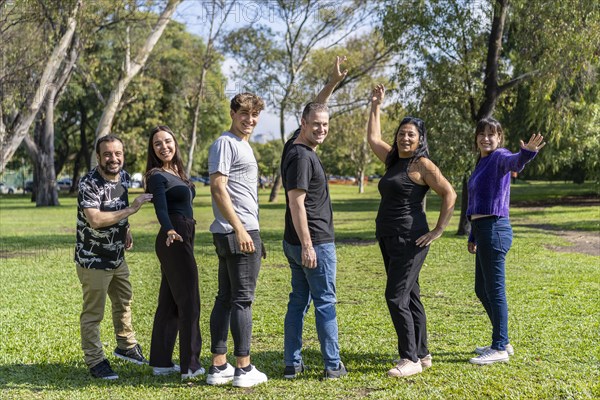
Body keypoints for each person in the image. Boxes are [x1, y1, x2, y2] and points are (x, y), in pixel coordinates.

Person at [367, 85, 456, 377]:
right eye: (402, 133)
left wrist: (439, 229)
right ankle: (423, 352)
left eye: (411, 134)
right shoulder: (393, 159)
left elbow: (449, 194)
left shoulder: (422, 164)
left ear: (419, 140)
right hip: (388, 236)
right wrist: (376, 105)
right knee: (410, 295)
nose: (405, 137)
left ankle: (410, 359)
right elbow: (372, 138)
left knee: (395, 296)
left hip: (410, 238)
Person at [281, 56, 348, 380]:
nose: (321, 129)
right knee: (325, 303)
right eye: (316, 125)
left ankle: (292, 362)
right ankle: (333, 365)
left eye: (325, 125)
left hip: (295, 243)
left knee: (298, 302)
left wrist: (332, 83)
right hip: (313, 244)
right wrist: (308, 246)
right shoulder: (303, 157)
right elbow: (296, 202)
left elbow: (316, 107)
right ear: (303, 123)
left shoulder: (292, 146)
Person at [467, 118, 545, 365]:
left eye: (492, 134)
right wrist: (472, 234)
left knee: (495, 291)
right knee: (482, 289)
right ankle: (503, 339)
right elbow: (475, 202)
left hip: (495, 228)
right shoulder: (482, 162)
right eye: (482, 134)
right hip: (483, 229)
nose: (486, 138)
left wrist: (527, 153)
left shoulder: (499, 156)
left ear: (499, 138)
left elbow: (515, 162)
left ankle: (499, 347)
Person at [75, 135, 153, 380]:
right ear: (98, 157)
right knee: (93, 313)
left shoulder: (124, 176)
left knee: (124, 301)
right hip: (93, 259)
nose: (113, 158)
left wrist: (126, 227)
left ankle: (126, 346)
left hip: (117, 256)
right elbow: (96, 220)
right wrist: (132, 210)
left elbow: (118, 202)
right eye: (107, 154)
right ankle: (95, 361)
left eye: (118, 153)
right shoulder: (89, 183)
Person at [206, 93, 268, 388]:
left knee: (227, 298)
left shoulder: (243, 144)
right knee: (242, 300)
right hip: (237, 231)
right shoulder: (225, 143)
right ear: (232, 112)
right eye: (244, 113)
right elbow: (218, 188)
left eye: (254, 115)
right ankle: (243, 368)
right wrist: (241, 229)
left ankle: (219, 367)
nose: (250, 120)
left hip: (236, 230)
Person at [144, 125, 204, 380]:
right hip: (174, 235)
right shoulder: (157, 175)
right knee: (190, 300)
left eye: (167, 141)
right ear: (153, 149)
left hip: (184, 233)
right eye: (158, 144)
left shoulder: (177, 172)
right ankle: (191, 365)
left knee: (169, 301)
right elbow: (160, 207)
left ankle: (160, 361)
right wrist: (168, 229)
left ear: (175, 143)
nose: (164, 147)